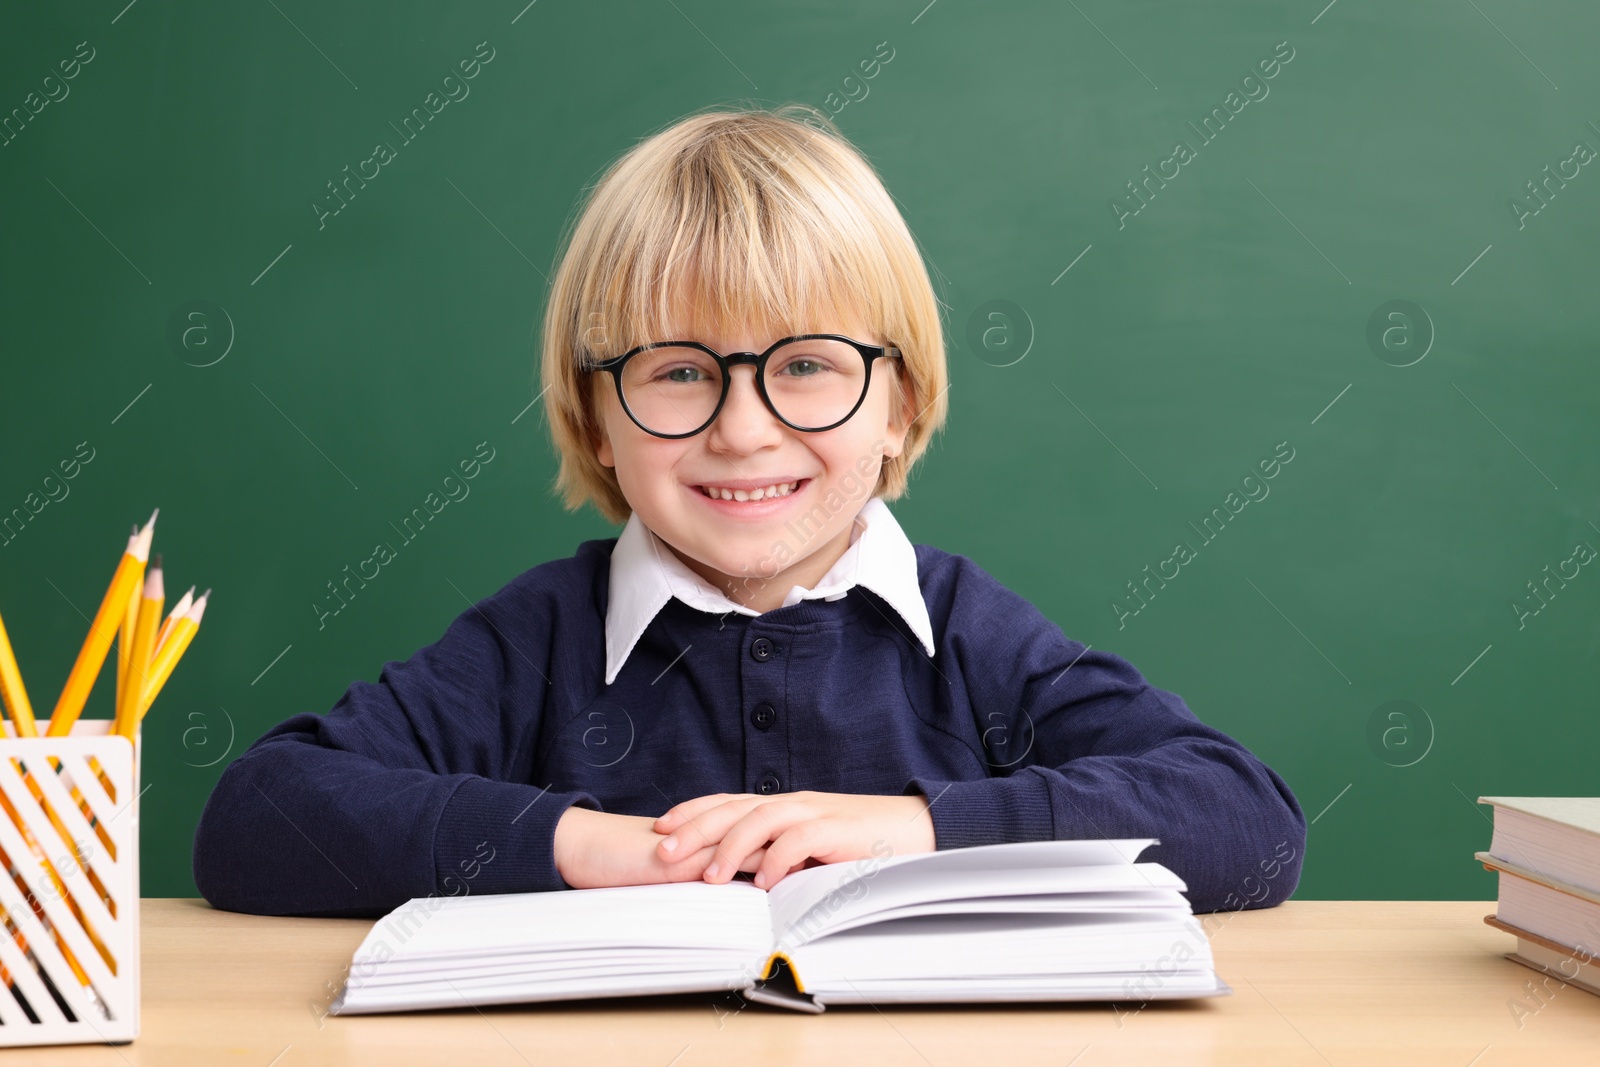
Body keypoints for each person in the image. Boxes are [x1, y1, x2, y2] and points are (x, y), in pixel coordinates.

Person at [193, 104, 1305, 918]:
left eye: (808, 365)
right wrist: (585, 844)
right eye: (678, 372)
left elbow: (1243, 817)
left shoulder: (967, 635)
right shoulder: (537, 641)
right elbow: (259, 818)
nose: (742, 429)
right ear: (597, 417)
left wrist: (912, 830)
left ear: (899, 404)